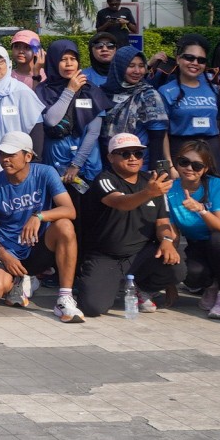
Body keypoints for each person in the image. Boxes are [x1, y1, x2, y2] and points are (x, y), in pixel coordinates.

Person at [69, 133, 179, 318]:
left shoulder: (152, 182)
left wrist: (167, 240)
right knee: (92, 308)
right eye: (125, 153)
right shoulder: (104, 179)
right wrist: (148, 193)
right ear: (110, 157)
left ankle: (142, 288)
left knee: (177, 265)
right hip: (106, 256)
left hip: (140, 254)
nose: (133, 158)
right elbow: (120, 203)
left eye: (138, 153)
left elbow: (163, 221)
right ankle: (104, 284)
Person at [0, 133, 82, 321]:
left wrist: (39, 216)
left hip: (38, 248)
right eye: (2, 154)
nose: (5, 159)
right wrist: (4, 255)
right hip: (8, 251)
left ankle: (65, 298)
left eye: (11, 154)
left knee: (65, 225)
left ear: (28, 156)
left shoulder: (46, 173)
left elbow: (69, 210)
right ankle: (19, 282)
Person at [169, 144, 220, 319]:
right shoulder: (169, 189)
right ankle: (212, 286)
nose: (189, 168)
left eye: (197, 165)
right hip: (197, 245)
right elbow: (172, 232)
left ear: (205, 169)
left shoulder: (217, 185)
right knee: (189, 274)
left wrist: (201, 209)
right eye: (184, 162)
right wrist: (169, 281)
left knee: (219, 240)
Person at [38, 39, 106, 184]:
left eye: (73, 59)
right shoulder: (43, 90)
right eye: (63, 59)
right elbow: (51, 120)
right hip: (55, 164)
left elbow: (93, 132)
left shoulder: (90, 90)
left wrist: (76, 164)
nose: (69, 64)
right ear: (53, 61)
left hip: (86, 166)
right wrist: (70, 90)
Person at [98, 45, 169, 168]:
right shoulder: (103, 92)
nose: (137, 71)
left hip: (137, 164)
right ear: (119, 66)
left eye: (141, 66)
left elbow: (157, 136)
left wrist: (154, 170)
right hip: (107, 163)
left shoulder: (148, 95)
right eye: (131, 66)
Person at [0, 44, 45, 165]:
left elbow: (36, 129)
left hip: (19, 165)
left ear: (8, 64)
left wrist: (33, 164)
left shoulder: (22, 92)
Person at [158, 35, 220, 167]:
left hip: (211, 149)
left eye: (201, 60)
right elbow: (162, 132)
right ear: (178, 59)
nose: (195, 63)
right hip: (181, 149)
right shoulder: (166, 91)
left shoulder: (214, 89)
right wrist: (169, 164)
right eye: (189, 58)